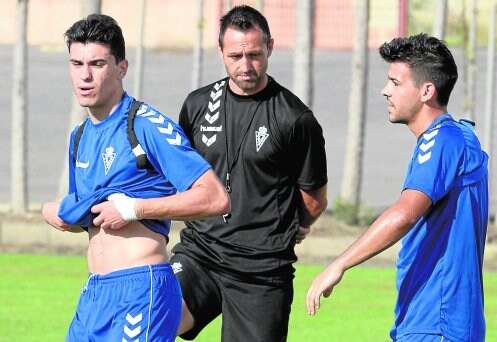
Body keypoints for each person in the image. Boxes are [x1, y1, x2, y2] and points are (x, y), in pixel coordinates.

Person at [41, 14, 230, 341]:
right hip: (95, 293)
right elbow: (92, 218)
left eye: (97, 64)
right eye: (77, 63)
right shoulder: (79, 137)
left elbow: (215, 197)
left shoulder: (144, 125)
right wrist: (60, 215)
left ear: (122, 68)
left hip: (142, 290)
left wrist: (135, 209)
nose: (85, 75)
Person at [306, 33, 489, 342]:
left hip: (436, 325)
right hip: (439, 323)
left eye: (396, 82)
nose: (385, 91)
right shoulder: (459, 136)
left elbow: (405, 213)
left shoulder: (441, 140)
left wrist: (338, 265)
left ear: (426, 91)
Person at [170, 5, 328, 341]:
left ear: (269, 47)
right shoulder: (197, 105)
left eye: (254, 55)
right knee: (149, 316)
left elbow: (314, 199)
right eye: (235, 56)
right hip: (200, 253)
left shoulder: (294, 119)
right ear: (221, 53)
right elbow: (181, 175)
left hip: (261, 270)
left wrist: (293, 225)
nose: (245, 66)